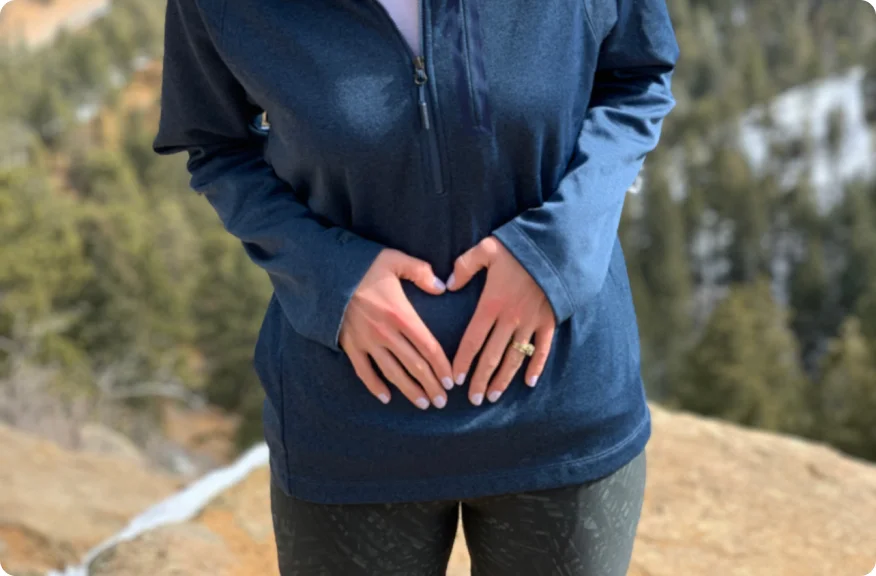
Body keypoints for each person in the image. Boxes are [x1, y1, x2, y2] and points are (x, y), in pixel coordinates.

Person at [154, 0, 679, 573]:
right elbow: (216, 145)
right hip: (351, 425)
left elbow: (635, 77)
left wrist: (554, 252)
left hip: (563, 406)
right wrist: (330, 276)